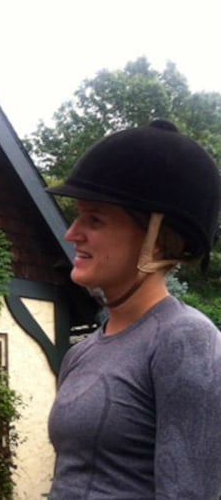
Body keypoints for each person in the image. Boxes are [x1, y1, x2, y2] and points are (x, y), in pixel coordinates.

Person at [45, 119, 221, 499]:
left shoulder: (186, 339)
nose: (72, 233)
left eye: (95, 219)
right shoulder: (81, 353)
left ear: (156, 240)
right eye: (77, 216)